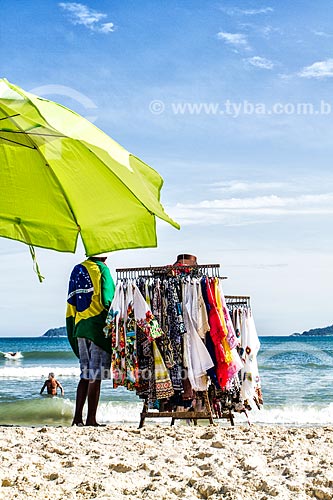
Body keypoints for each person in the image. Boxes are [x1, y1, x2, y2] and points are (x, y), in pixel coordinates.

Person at [66, 253, 115, 426]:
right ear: (105, 257)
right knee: (95, 375)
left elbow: (71, 302)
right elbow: (108, 299)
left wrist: (72, 326)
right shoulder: (102, 270)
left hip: (80, 327)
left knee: (85, 375)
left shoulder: (77, 269)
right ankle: (91, 419)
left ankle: (77, 417)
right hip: (97, 329)